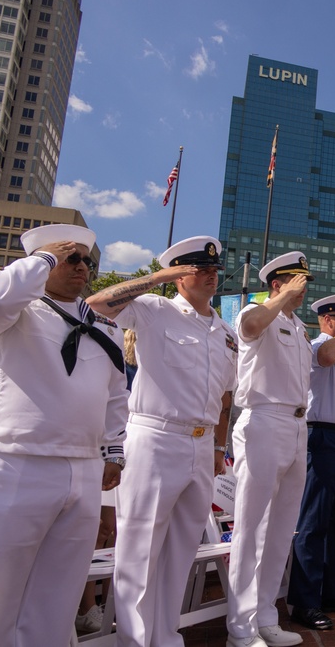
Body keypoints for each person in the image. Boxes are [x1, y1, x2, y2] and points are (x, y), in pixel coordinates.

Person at [0, 224, 128, 646]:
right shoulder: (14, 310)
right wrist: (40, 261)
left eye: (86, 261)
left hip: (82, 467)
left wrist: (114, 450)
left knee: (57, 592)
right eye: (70, 258)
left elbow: (115, 393)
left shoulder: (105, 327)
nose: (81, 267)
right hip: (15, 460)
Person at [87, 235, 238, 646]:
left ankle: (165, 636)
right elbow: (97, 306)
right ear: (179, 276)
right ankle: (135, 641)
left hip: (202, 443)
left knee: (181, 550)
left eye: (212, 269)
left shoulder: (226, 333)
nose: (210, 275)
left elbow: (225, 398)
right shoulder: (155, 310)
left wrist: (219, 448)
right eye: (199, 269)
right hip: (156, 437)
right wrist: (157, 277)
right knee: (139, 548)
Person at [226, 251, 315, 647]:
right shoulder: (257, 311)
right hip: (263, 418)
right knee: (252, 526)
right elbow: (249, 328)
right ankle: (240, 628)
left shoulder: (299, 328)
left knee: (281, 527)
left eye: (306, 281)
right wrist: (276, 299)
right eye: (297, 280)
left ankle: (265, 616)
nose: (304, 288)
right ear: (277, 283)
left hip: (297, 424)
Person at [286, 293, 335, 631]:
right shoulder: (319, 345)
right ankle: (305, 601)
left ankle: (333, 591)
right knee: (313, 522)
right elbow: (328, 357)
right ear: (328, 320)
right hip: (320, 436)